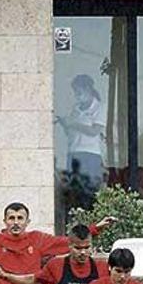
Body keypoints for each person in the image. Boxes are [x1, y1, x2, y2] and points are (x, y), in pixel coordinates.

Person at [57, 74, 106, 210]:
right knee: (74, 192)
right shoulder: (76, 108)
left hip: (90, 155)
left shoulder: (99, 107)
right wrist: (65, 124)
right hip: (74, 153)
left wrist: (73, 124)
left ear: (88, 88)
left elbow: (94, 130)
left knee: (90, 192)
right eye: (75, 92)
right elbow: (70, 132)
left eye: (79, 91)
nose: (77, 95)